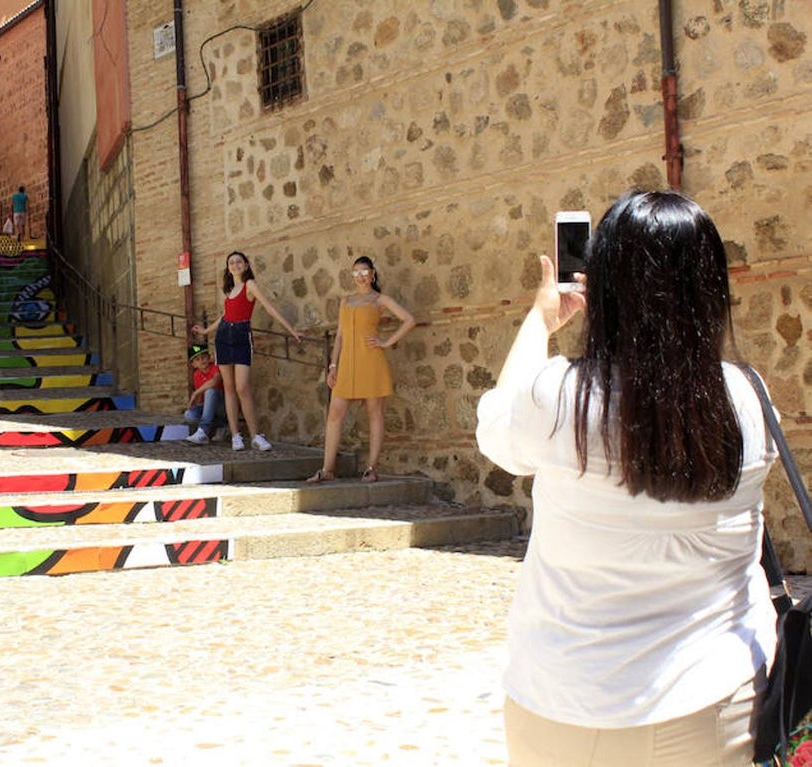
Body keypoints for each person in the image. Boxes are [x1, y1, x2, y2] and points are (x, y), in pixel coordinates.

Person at [475, 190, 778, 766]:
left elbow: (496, 426)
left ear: (603, 282)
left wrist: (540, 319)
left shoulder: (561, 395)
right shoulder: (751, 396)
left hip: (565, 705)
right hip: (718, 699)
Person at [306, 256, 415, 483]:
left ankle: (371, 468)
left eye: (364, 271)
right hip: (346, 364)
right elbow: (339, 337)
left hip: (371, 361)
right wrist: (333, 366)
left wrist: (386, 342)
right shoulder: (345, 301)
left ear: (373, 273)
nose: (360, 276)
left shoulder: (379, 299)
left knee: (375, 414)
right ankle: (327, 469)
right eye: (356, 272)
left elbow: (409, 320)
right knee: (335, 413)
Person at [191, 251, 304, 452]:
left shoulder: (249, 285)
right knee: (229, 388)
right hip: (223, 338)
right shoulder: (229, 290)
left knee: (242, 387)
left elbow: (269, 308)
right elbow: (225, 315)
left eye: (238, 262)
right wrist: (207, 331)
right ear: (228, 267)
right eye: (231, 262)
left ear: (245, 265)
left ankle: (255, 436)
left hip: (242, 336)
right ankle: (236, 436)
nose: (235, 265)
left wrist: (291, 330)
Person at [184, 343, 226, 444]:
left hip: (222, 406)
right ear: (193, 364)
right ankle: (221, 426)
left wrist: (195, 393)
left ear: (209, 358)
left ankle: (203, 432)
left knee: (210, 391)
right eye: (197, 359)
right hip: (209, 410)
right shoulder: (197, 374)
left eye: (204, 357)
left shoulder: (215, 367)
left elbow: (215, 381)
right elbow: (201, 399)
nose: (202, 361)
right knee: (189, 415)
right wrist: (195, 405)